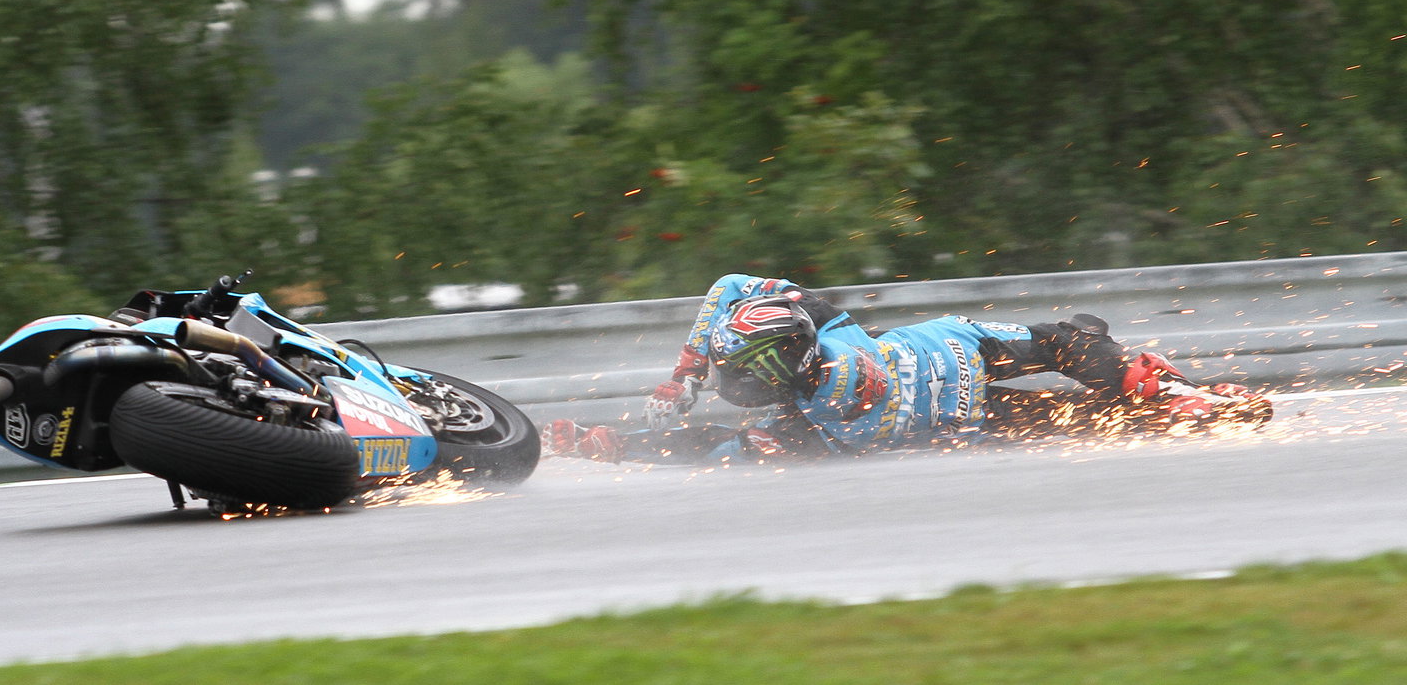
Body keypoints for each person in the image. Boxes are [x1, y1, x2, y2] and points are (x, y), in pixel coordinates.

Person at [543, 272, 1273, 463]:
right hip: (952, 345)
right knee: (1067, 338)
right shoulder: (826, 321)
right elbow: (733, 286)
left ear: (766, 374)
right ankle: (1177, 390)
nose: (728, 383)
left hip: (969, 417)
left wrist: (624, 439)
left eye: (737, 371)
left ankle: (1172, 406)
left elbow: (707, 447)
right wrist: (692, 363)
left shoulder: (802, 430)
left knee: (1084, 421)